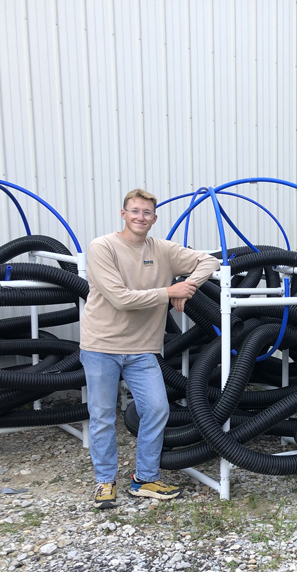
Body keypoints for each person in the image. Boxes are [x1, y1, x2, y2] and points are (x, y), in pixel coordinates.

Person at [80, 189, 219, 509]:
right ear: (123, 213)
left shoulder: (162, 250)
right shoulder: (103, 248)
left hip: (143, 349)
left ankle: (144, 479)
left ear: (154, 219)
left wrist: (189, 287)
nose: (141, 218)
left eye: (147, 213)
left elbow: (208, 260)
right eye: (135, 211)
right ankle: (104, 482)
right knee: (102, 416)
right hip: (102, 346)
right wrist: (170, 291)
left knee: (157, 409)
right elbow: (121, 298)